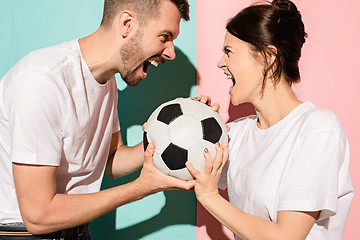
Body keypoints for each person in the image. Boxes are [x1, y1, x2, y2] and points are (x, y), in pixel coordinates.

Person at [0, 0, 194, 239]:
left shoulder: (106, 80)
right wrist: (140, 189)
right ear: (127, 24)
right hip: (22, 234)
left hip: (77, 232)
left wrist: (172, 133)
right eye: (164, 37)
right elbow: (38, 217)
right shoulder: (42, 82)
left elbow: (111, 161)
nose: (170, 52)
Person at [187, 0, 354, 239]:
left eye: (229, 52)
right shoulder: (235, 134)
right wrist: (191, 123)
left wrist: (210, 197)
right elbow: (182, 168)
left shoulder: (318, 129)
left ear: (267, 57)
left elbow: (287, 235)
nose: (220, 63)